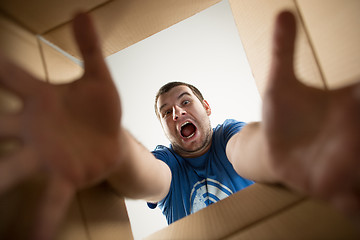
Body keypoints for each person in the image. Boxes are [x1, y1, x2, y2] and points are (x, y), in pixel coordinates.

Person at [0, 10, 359, 240]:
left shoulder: (226, 136)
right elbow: (150, 177)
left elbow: (249, 149)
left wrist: (283, 147)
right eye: (166, 112)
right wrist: (117, 148)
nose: (176, 114)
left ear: (206, 107)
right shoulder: (168, 160)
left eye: (185, 102)